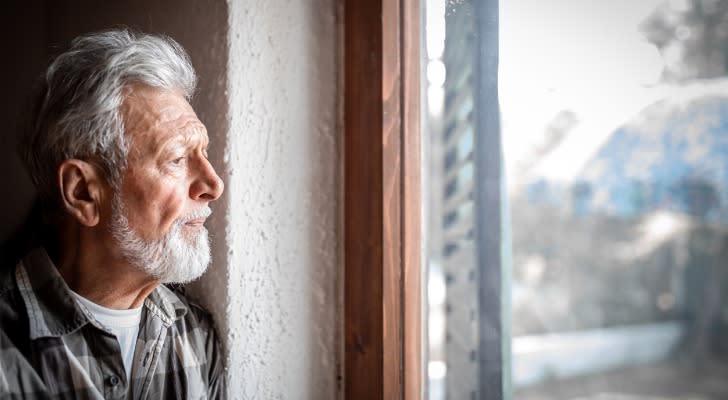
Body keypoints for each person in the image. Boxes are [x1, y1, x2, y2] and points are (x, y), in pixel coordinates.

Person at [0, 29, 226, 399]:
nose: (213, 184)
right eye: (176, 159)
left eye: (203, 152)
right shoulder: (8, 352)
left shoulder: (196, 337)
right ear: (83, 193)